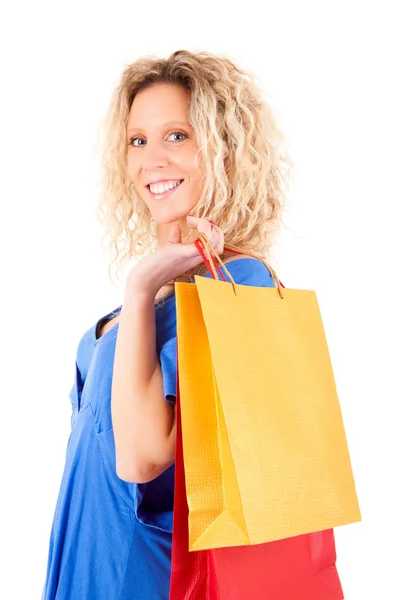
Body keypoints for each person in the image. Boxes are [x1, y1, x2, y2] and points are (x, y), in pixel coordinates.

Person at [41, 49, 293, 599]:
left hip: (146, 577)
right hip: (86, 560)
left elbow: (141, 458)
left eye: (177, 135)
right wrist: (144, 290)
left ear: (223, 150)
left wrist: (138, 285)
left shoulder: (239, 285)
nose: (151, 159)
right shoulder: (145, 304)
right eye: (138, 140)